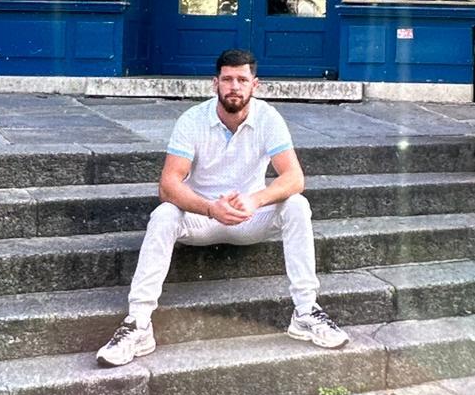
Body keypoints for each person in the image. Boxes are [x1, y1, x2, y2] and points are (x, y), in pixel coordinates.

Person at [96, 48, 348, 366]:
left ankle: (306, 312)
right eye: (227, 79)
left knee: (297, 205)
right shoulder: (193, 120)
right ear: (215, 83)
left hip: (249, 217)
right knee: (164, 214)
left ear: (255, 85)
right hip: (202, 218)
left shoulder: (268, 118)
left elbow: (294, 177)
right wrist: (210, 208)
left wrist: (255, 200)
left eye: (242, 79)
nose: (234, 87)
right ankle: (138, 324)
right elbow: (168, 186)